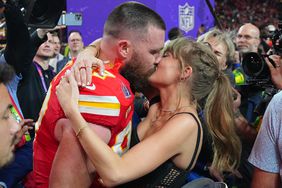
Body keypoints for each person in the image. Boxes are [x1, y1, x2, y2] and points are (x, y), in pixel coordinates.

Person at [56, 38, 241, 187]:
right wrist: (86, 54)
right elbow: (115, 42)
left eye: (166, 55)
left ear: (185, 72)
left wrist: (72, 111)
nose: (157, 59)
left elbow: (115, 173)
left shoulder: (186, 123)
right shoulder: (157, 101)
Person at [32, 2, 165, 187]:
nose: (159, 60)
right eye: (154, 52)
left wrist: (89, 50)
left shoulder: (95, 64)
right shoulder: (99, 90)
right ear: (124, 48)